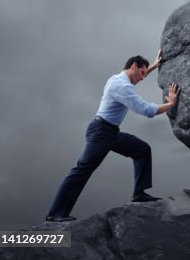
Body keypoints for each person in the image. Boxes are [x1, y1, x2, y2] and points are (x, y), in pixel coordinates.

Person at [44, 50, 180, 222]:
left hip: (110, 132)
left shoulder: (117, 79)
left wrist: (153, 65)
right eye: (142, 73)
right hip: (101, 133)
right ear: (133, 67)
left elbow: (134, 80)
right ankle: (55, 213)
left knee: (142, 150)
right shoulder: (122, 87)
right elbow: (146, 110)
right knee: (81, 171)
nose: (142, 78)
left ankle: (139, 194)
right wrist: (171, 103)